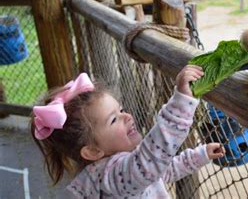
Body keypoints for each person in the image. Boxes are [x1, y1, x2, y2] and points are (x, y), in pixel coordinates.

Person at [31, 65, 225, 198]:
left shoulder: (126, 170)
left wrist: (198, 156)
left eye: (121, 110)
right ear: (92, 151)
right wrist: (181, 100)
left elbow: (160, 173)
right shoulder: (112, 176)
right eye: (114, 119)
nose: (127, 116)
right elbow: (152, 160)